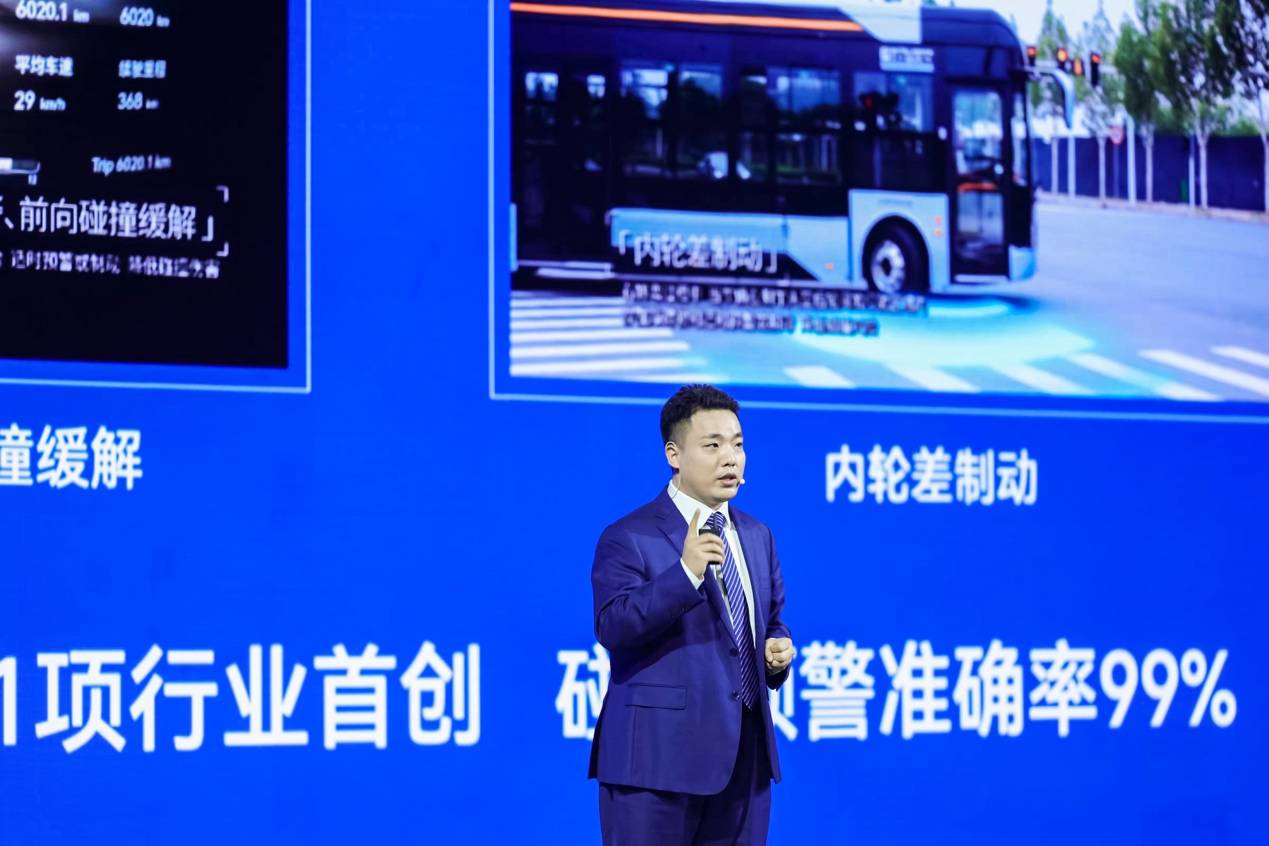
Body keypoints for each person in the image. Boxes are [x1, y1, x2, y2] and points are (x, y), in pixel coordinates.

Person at [589, 384, 795, 846]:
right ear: (674, 455)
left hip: (745, 763)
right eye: (713, 445)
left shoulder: (757, 535)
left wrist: (775, 653)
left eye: (737, 444)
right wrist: (684, 573)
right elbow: (613, 625)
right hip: (656, 766)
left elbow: (771, 620)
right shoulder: (629, 536)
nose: (730, 458)